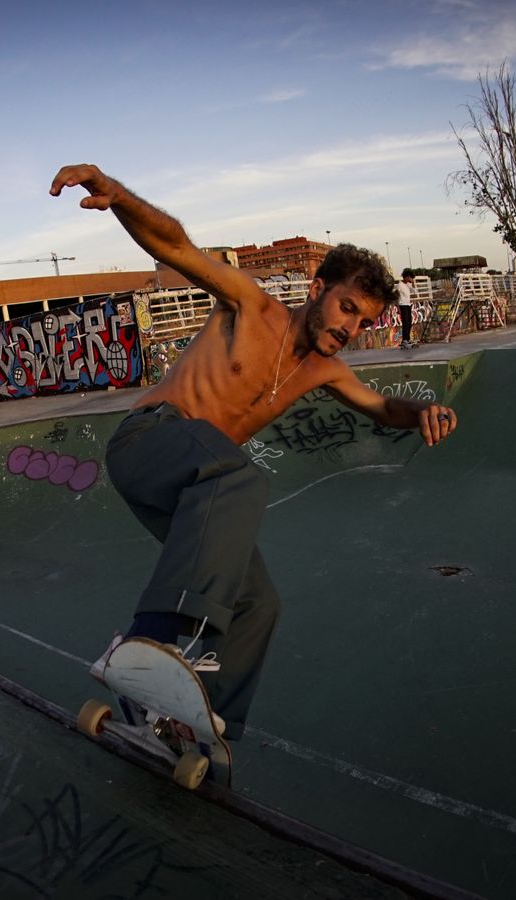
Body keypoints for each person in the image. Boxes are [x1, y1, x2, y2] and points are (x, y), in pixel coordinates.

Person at [50, 163, 458, 743]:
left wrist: (418, 413)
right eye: (347, 309)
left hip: (187, 490)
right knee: (236, 473)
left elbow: (380, 406)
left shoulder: (327, 370)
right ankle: (151, 642)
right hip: (148, 442)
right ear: (318, 290)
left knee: (259, 602)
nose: (351, 329)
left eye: (364, 323)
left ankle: (189, 723)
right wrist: (118, 198)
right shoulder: (251, 307)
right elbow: (176, 245)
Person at [396, 268, 416, 348]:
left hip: (408, 305)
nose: (410, 279)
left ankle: (407, 339)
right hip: (402, 305)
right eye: (410, 277)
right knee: (405, 322)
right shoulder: (399, 285)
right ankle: (404, 340)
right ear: (406, 276)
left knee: (409, 322)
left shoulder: (408, 285)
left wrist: (413, 282)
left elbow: (414, 292)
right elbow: (396, 297)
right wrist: (398, 308)